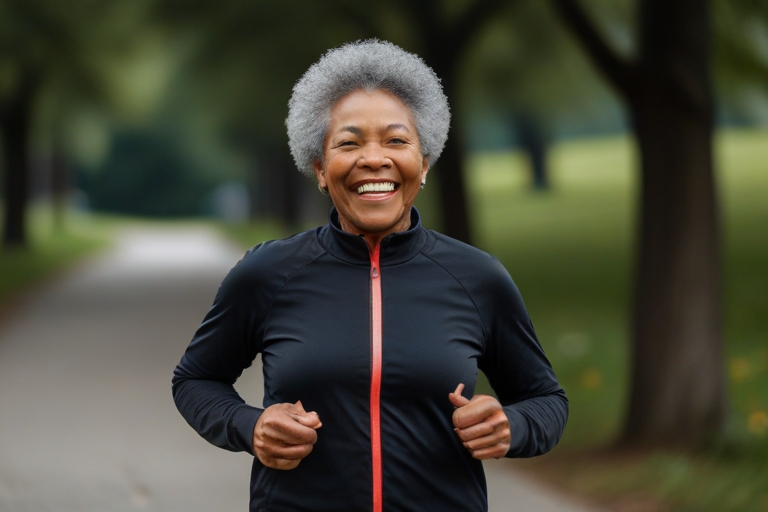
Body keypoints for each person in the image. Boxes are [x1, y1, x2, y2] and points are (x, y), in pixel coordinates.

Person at [173, 39, 568, 511]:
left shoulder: (478, 278)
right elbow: (195, 379)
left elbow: (546, 399)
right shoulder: (268, 273)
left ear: (423, 164)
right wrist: (249, 426)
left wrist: (512, 425)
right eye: (349, 142)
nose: (374, 159)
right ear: (320, 167)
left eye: (397, 140)